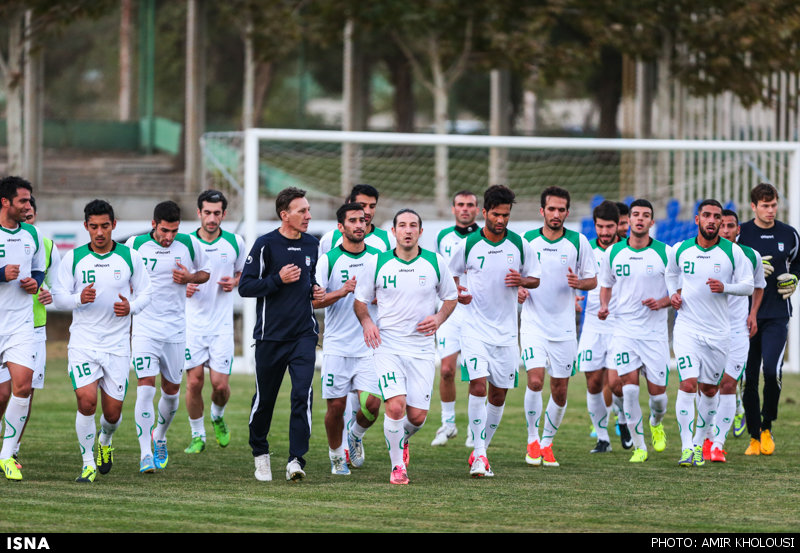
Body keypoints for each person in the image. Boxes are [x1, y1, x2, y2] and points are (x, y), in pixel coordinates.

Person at [353, 209, 457, 485]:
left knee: (417, 416)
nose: (408, 230)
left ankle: (402, 440)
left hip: (422, 349)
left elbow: (451, 297)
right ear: (393, 232)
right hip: (388, 346)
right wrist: (366, 322)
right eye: (402, 225)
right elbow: (360, 301)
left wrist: (438, 317)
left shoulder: (435, 262)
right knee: (396, 407)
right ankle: (398, 467)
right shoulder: (377, 263)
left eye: (413, 226)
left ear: (421, 232)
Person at [52, 199, 152, 482]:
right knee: (86, 403)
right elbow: (58, 297)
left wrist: (130, 307)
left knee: (112, 413)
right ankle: (87, 463)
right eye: (93, 227)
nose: (99, 232)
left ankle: (105, 440)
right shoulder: (74, 258)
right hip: (83, 343)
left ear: (114, 225)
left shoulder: (130, 257)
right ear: (86, 227)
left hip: (118, 347)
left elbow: (146, 292)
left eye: (104, 226)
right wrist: (77, 298)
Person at [448, 185, 539, 477]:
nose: (501, 220)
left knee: (498, 395)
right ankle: (480, 455)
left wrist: (522, 280)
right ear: (484, 212)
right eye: (496, 214)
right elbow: (452, 276)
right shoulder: (469, 244)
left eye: (506, 215)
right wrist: (458, 291)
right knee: (478, 386)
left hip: (507, 332)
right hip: (474, 327)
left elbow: (535, 279)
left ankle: (480, 448)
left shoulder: (521, 244)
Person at [239, 187, 325, 482]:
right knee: (265, 400)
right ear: (284, 215)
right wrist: (277, 279)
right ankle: (260, 455)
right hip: (270, 337)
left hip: (303, 335)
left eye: (308, 210)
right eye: (302, 211)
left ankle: (296, 459)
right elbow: (246, 287)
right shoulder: (265, 245)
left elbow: (311, 282)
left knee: (303, 394)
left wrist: (316, 289)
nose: (308, 216)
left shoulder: (313, 245)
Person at [666, 199, 753, 467]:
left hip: (719, 333)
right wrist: (673, 294)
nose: (712, 220)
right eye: (707, 215)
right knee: (688, 383)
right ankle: (686, 448)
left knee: (709, 389)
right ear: (697, 219)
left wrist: (725, 287)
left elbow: (748, 286)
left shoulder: (733, 253)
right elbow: (671, 274)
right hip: (688, 328)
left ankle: (700, 441)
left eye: (716, 216)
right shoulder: (681, 249)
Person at [126, 201, 209, 473]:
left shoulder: (189, 243)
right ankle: (145, 453)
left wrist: (190, 277)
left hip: (175, 329)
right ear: (154, 224)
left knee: (171, 392)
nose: (169, 237)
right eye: (164, 231)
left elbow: (205, 273)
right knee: (146, 386)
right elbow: (124, 277)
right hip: (145, 328)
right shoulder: (135, 244)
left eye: (173, 231)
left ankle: (159, 436)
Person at [520, 186, 596, 467]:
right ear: (542, 211)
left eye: (561, 209)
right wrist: (519, 291)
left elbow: (592, 280)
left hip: (564, 328)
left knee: (560, 389)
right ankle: (532, 439)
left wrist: (580, 284)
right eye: (551, 209)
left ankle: (548, 442)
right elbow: (518, 278)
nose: (556, 214)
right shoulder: (527, 241)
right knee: (536, 380)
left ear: (567, 212)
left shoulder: (578, 242)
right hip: (533, 324)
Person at [318, 184, 394, 461]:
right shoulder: (328, 251)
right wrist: (341, 291)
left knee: (372, 403)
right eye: (356, 216)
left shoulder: (382, 251)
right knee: (336, 406)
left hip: (371, 341)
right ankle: (337, 453)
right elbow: (316, 296)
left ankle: (355, 435)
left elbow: (391, 287)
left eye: (367, 215)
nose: (364, 219)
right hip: (338, 340)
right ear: (342, 225)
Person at [598, 199, 671, 463]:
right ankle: (640, 447)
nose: (640, 219)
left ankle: (656, 422)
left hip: (655, 335)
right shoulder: (613, 253)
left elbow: (678, 292)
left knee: (659, 397)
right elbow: (606, 284)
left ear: (652, 222)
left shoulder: (666, 253)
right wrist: (605, 305)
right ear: (628, 221)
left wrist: (661, 302)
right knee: (628, 388)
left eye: (646, 215)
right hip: (624, 331)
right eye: (636, 214)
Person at [737, 182, 800, 456]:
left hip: (777, 315)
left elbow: (798, 264)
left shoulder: (789, 234)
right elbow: (732, 269)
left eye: (773, 205)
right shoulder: (742, 234)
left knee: (771, 372)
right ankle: (753, 436)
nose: (770, 210)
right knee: (749, 378)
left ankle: (766, 427)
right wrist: (752, 270)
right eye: (765, 206)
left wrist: (795, 278)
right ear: (753, 206)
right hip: (745, 316)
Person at [183, 190, 247, 455]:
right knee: (195, 382)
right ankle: (197, 435)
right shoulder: (185, 243)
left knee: (220, 386)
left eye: (216, 213)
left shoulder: (235, 242)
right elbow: (173, 277)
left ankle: (217, 416)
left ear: (224, 214)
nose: (211, 218)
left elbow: (244, 274)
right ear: (198, 213)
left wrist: (234, 282)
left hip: (221, 326)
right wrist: (184, 285)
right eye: (207, 212)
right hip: (191, 325)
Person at [0, 197, 61, 471]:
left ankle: (11, 451)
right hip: (7, 322)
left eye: (31, 213)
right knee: (3, 395)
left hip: (32, 328)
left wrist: (43, 289)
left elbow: (55, 287)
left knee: (25, 390)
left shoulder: (44, 244)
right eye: (23, 208)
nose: (27, 218)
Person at [700, 209, 765, 461]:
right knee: (707, 387)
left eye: (730, 225)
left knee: (728, 384)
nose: (725, 229)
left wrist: (753, 314)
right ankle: (704, 437)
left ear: (739, 229)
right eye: (722, 224)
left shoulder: (750, 256)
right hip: (707, 329)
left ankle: (717, 444)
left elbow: (758, 287)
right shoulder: (701, 252)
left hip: (737, 330)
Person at [0, 177, 45, 481]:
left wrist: (35, 283)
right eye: (23, 201)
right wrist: (1, 274)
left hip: (20, 324)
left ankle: (7, 456)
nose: (29, 207)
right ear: (5, 202)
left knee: (24, 385)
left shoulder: (32, 234)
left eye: (29, 201)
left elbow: (39, 268)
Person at [578, 200, 629, 454]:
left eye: (610, 226)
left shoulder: (626, 251)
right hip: (592, 326)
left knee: (617, 383)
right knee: (594, 383)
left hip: (619, 326)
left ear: (618, 226)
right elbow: (577, 281)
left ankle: (621, 418)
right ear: (595, 226)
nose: (605, 232)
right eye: (600, 226)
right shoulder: (585, 250)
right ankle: (603, 438)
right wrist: (576, 298)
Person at [431, 190, 480, 447]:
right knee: (447, 369)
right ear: (453, 209)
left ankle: (474, 428)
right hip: (450, 309)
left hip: (475, 311)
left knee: (474, 373)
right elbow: (440, 272)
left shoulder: (483, 237)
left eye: (470, 205)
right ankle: (448, 424)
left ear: (477, 209)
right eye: (460, 204)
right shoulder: (443, 237)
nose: (465, 209)